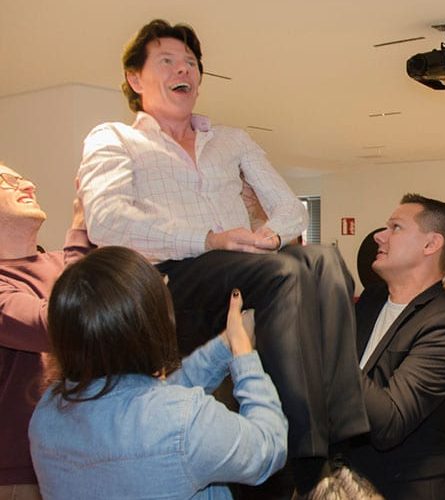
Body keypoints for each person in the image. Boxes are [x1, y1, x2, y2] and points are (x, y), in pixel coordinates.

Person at [75, 19, 367, 491]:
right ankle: (306, 449)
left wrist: (267, 235)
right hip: (171, 277)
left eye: (190, 63)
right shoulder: (113, 139)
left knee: (322, 260)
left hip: (244, 265)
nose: (183, 70)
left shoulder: (231, 139)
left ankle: (343, 427)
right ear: (134, 78)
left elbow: (290, 208)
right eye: (166, 61)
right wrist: (210, 238)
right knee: (284, 274)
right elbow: (107, 221)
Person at [29, 246, 287, 499]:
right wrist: (244, 357)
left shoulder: (47, 416)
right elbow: (268, 448)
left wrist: (224, 346)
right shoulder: (184, 424)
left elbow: (149, 403)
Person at [349, 194, 445, 500]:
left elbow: (389, 422)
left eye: (395, 227)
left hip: (402, 488)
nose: (379, 236)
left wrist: (329, 344)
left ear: (431, 244)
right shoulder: (371, 301)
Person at [0, 165, 92, 500]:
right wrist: (80, 230)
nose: (27, 183)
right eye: (6, 180)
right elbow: (65, 326)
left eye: (22, 176)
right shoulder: (75, 258)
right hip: (23, 477)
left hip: (92, 463)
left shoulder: (64, 262)